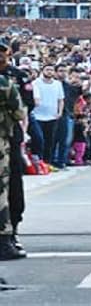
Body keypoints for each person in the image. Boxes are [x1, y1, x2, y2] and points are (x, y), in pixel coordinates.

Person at [0, 42, 26, 260]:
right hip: (3, 139)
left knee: (13, 187)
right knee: (4, 188)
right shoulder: (7, 82)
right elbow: (19, 111)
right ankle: (5, 237)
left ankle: (12, 230)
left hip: (10, 137)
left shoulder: (16, 75)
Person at [32, 65, 64, 167]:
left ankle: (47, 163)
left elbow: (60, 100)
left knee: (50, 141)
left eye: (51, 70)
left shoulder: (58, 84)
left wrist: (60, 112)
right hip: (37, 116)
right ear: (42, 71)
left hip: (52, 116)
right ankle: (38, 162)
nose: (49, 72)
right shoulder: (36, 82)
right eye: (47, 70)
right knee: (39, 139)